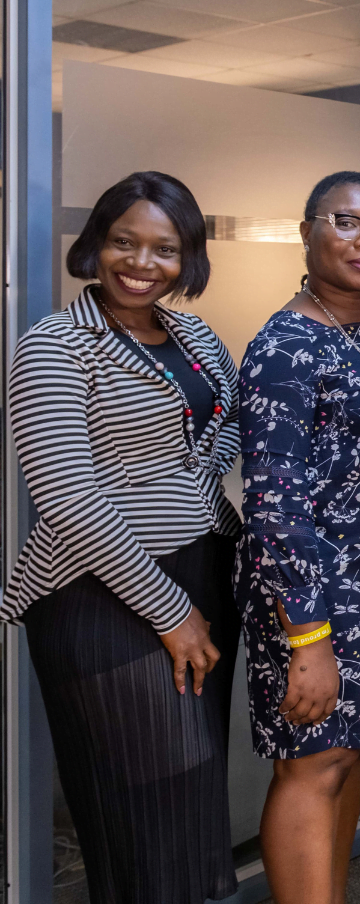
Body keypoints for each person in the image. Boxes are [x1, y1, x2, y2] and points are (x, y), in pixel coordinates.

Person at [2, 171, 241, 903]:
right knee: (145, 815)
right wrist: (171, 614)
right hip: (101, 595)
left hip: (202, 568)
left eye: (163, 249)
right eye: (122, 242)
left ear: (188, 258)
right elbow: (69, 499)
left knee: (191, 799)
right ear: (95, 246)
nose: (140, 263)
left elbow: (225, 422)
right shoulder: (54, 346)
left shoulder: (192, 333)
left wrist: (192, 474)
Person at [236, 170, 360, 904]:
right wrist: (307, 639)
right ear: (306, 230)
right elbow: (274, 500)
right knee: (312, 763)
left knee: (347, 755)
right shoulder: (284, 345)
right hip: (312, 588)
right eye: (346, 222)